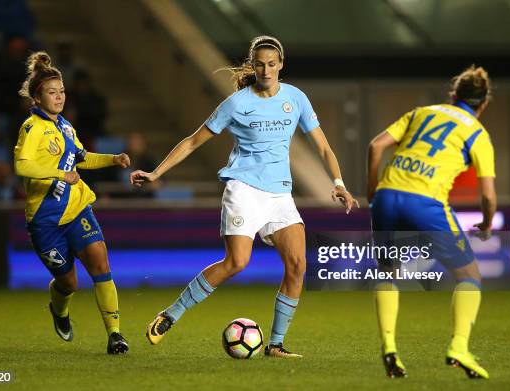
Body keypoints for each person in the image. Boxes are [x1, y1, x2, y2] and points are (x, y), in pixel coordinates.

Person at [130, 35, 357, 358]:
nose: (266, 70)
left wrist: (337, 182)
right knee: (237, 262)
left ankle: (275, 345)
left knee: (297, 265)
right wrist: (156, 173)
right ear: (253, 66)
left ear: (281, 65)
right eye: (260, 64)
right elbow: (194, 141)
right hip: (244, 190)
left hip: (280, 195)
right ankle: (171, 314)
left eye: (272, 64)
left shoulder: (296, 98)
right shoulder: (237, 104)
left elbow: (322, 145)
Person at [366, 65, 496, 379]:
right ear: (484, 103)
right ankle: (459, 347)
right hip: (425, 202)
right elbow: (489, 196)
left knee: (388, 272)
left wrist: (373, 191)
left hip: (386, 196)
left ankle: (389, 348)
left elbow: (375, 146)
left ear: (454, 94)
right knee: (470, 276)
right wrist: (487, 223)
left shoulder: (421, 112)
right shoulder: (477, 133)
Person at [13, 52, 131, 354]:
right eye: (51, 92)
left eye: (62, 91)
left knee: (100, 263)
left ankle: (115, 335)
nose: (59, 97)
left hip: (77, 208)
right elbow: (22, 166)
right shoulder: (32, 127)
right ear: (37, 98)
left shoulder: (65, 126)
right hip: (45, 221)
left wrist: (112, 159)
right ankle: (60, 310)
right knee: (68, 283)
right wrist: (60, 174)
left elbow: (82, 158)